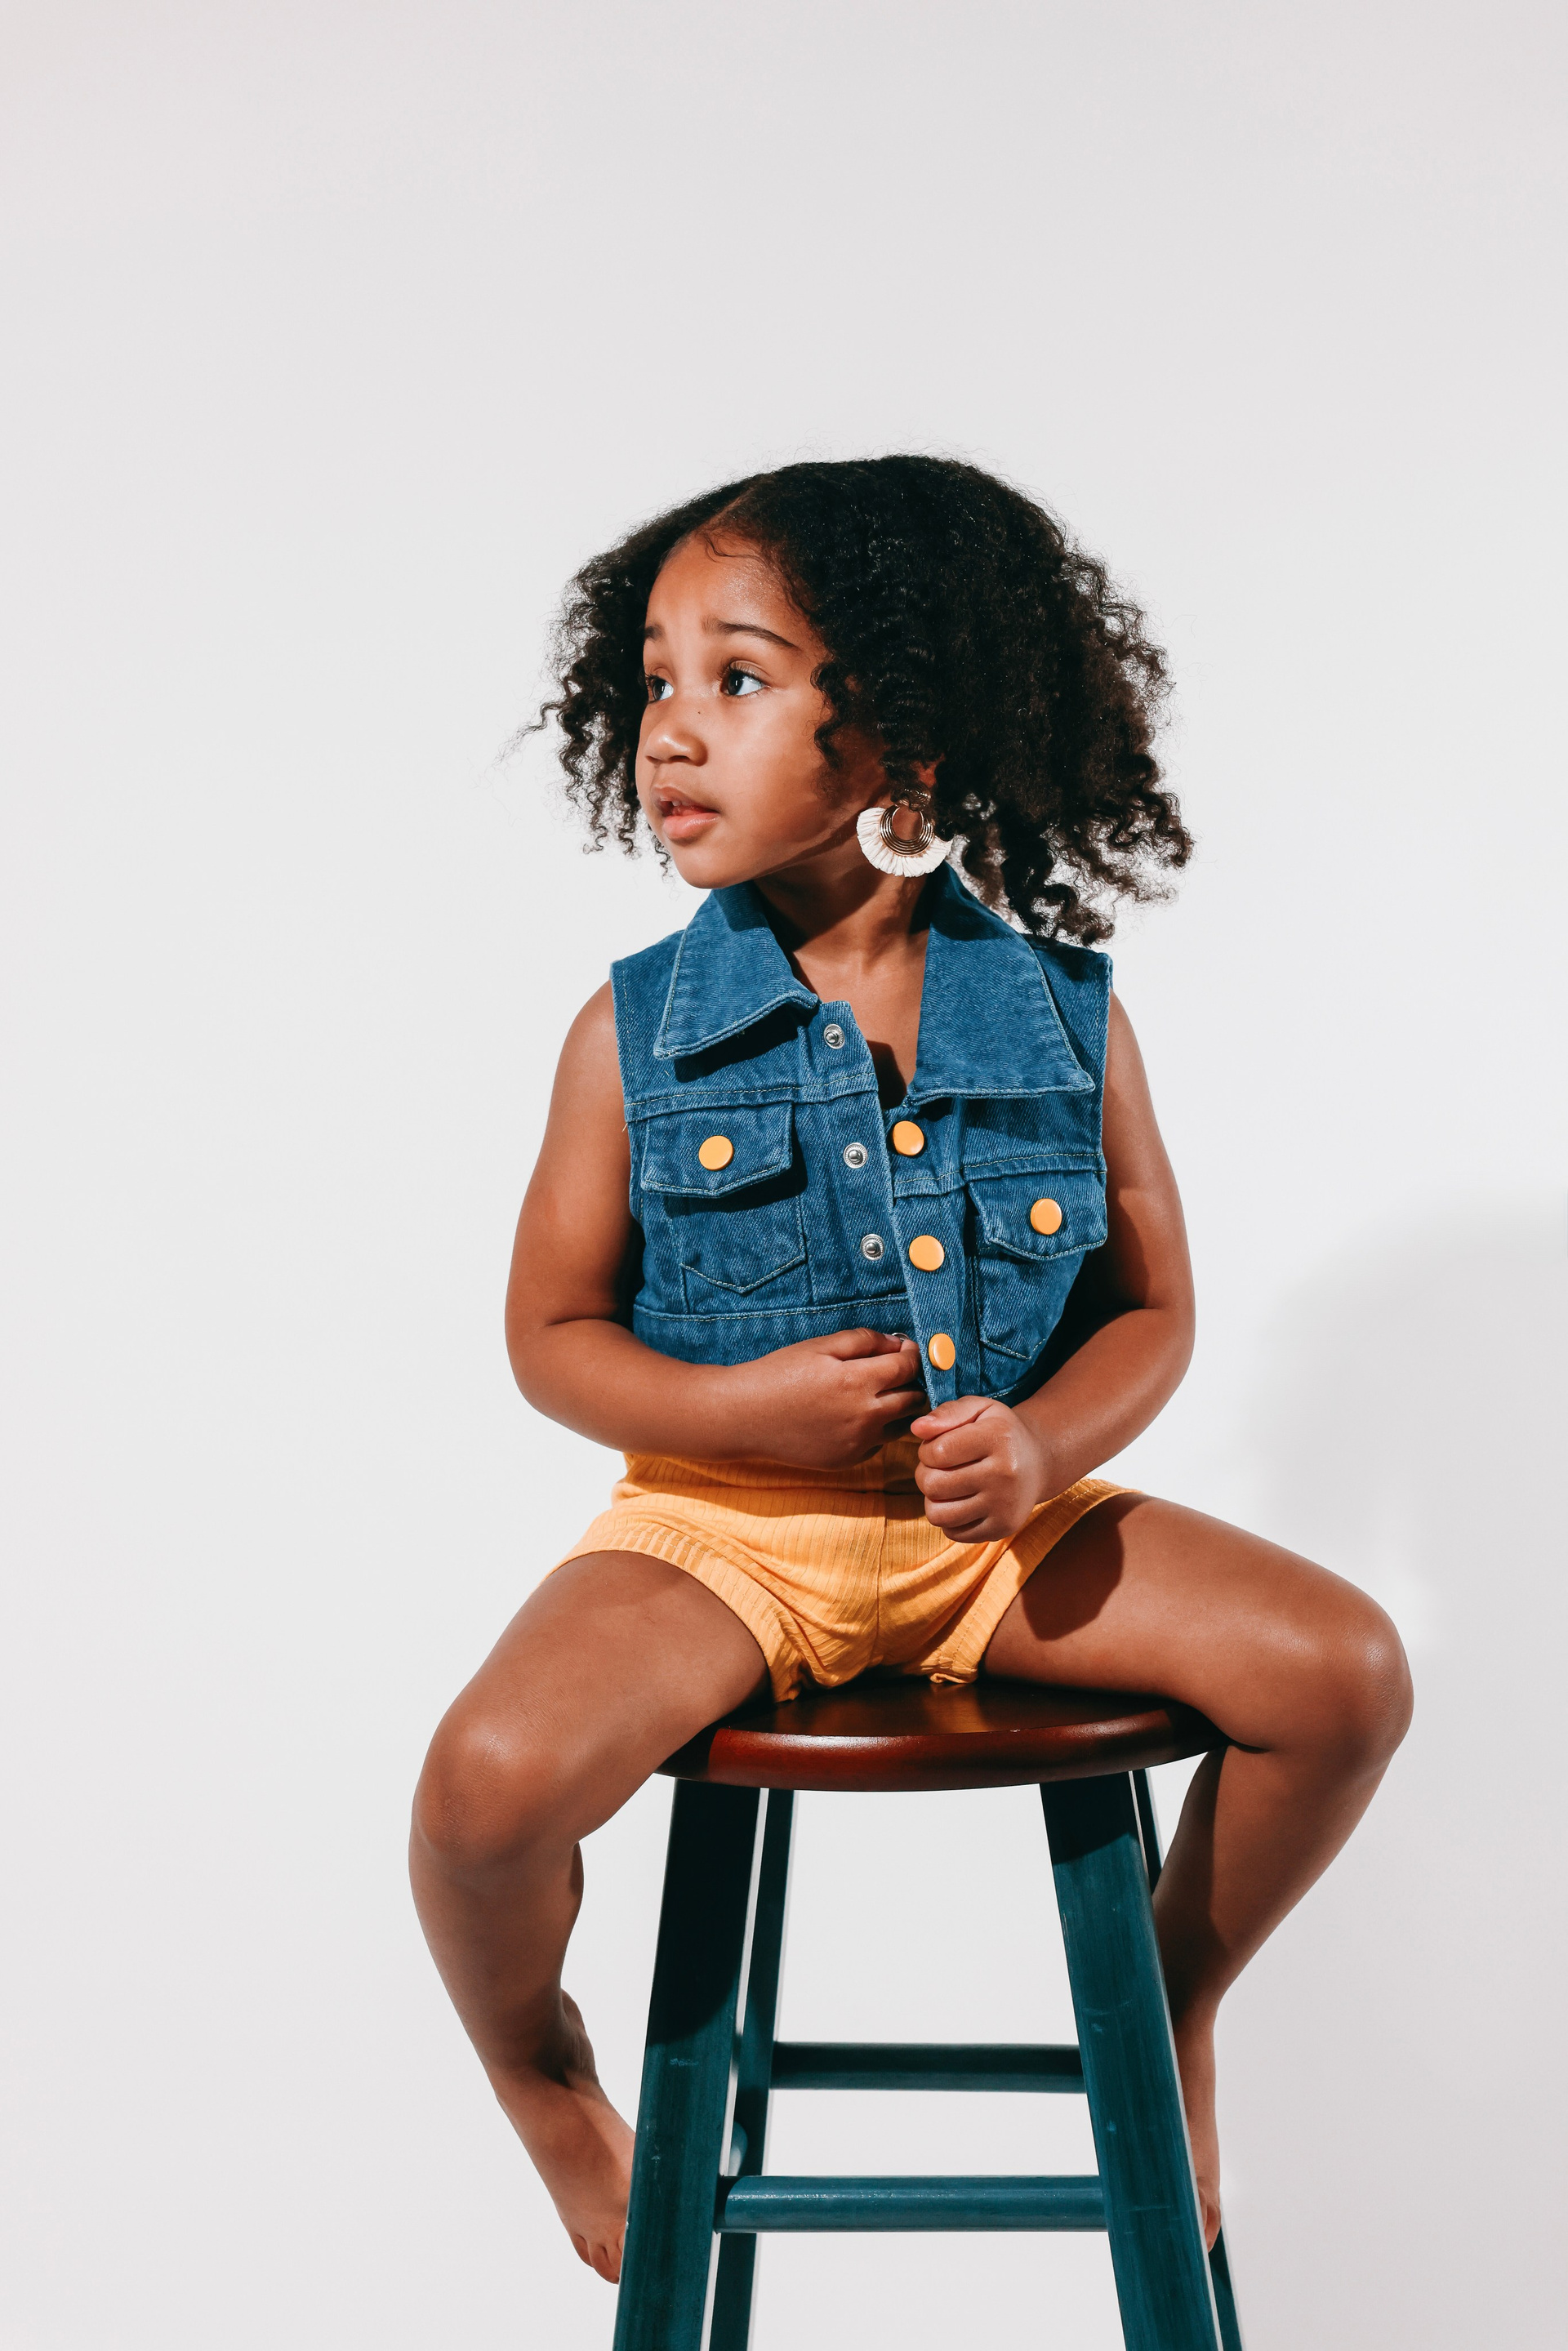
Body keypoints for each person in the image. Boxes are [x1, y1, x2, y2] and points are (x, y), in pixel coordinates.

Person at [408, 456, 1413, 2282]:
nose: (669, 731)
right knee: (485, 1784)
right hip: (721, 1540)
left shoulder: (1066, 1019)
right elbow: (549, 1339)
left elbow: (1154, 1311)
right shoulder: (629, 1034)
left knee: (1340, 1673)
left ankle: (1170, 2003)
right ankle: (545, 2081)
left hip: (996, 1541)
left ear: (906, 741)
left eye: (736, 677)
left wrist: (1039, 1448)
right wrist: (737, 1415)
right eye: (653, 679)